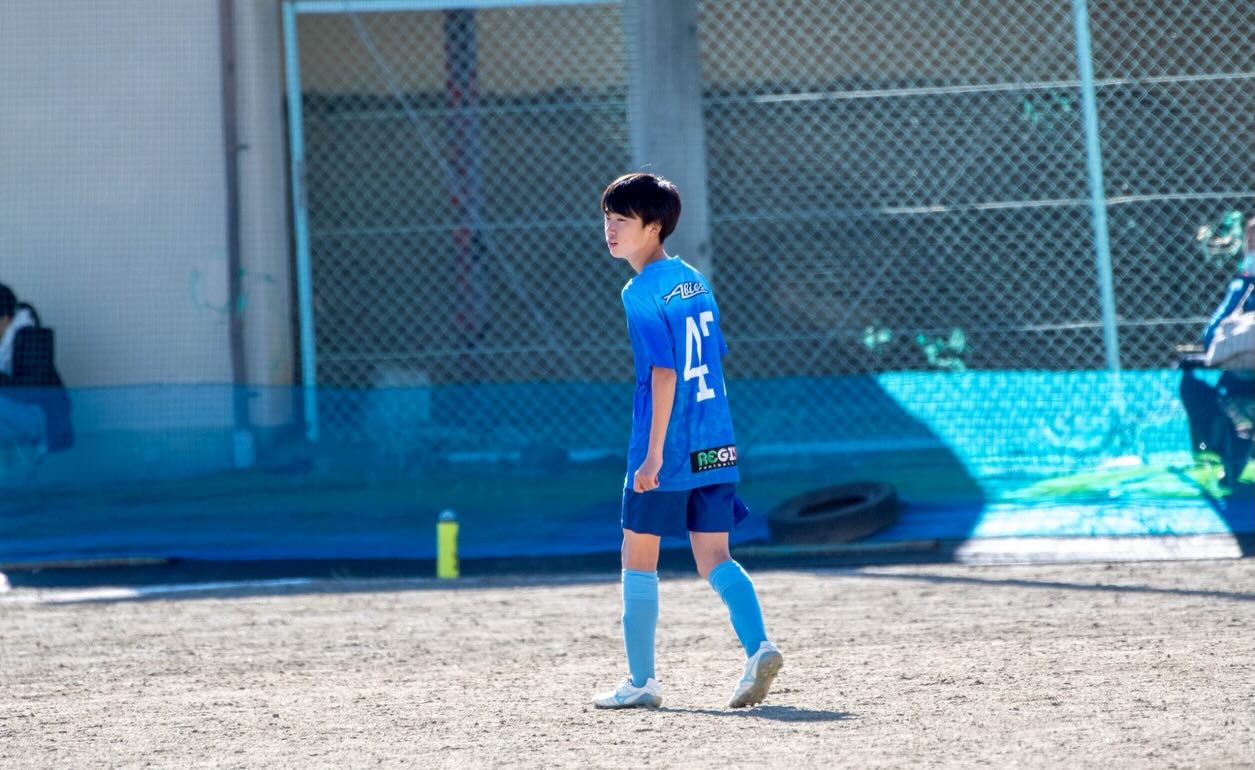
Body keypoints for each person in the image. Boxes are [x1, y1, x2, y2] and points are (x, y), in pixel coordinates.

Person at [591, 173, 783, 710]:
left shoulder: (640, 291)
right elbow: (713, 353)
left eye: (621, 220)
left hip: (669, 446)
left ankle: (642, 682)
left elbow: (664, 372)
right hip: (716, 439)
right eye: (607, 217)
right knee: (714, 556)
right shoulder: (694, 280)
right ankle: (758, 647)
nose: (609, 229)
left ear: (654, 226)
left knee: (638, 557)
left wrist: (653, 454)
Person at [1180, 213, 1254, 488]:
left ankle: (1235, 453)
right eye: (1251, 241)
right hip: (1241, 379)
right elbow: (1211, 334)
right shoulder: (1243, 285)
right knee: (1198, 388)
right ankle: (1229, 456)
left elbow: (1214, 334)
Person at [0, 283, 73, 458]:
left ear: (5, 318)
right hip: (20, 414)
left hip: (42, 420)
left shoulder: (32, 340)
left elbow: (32, 390)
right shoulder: (5, 344)